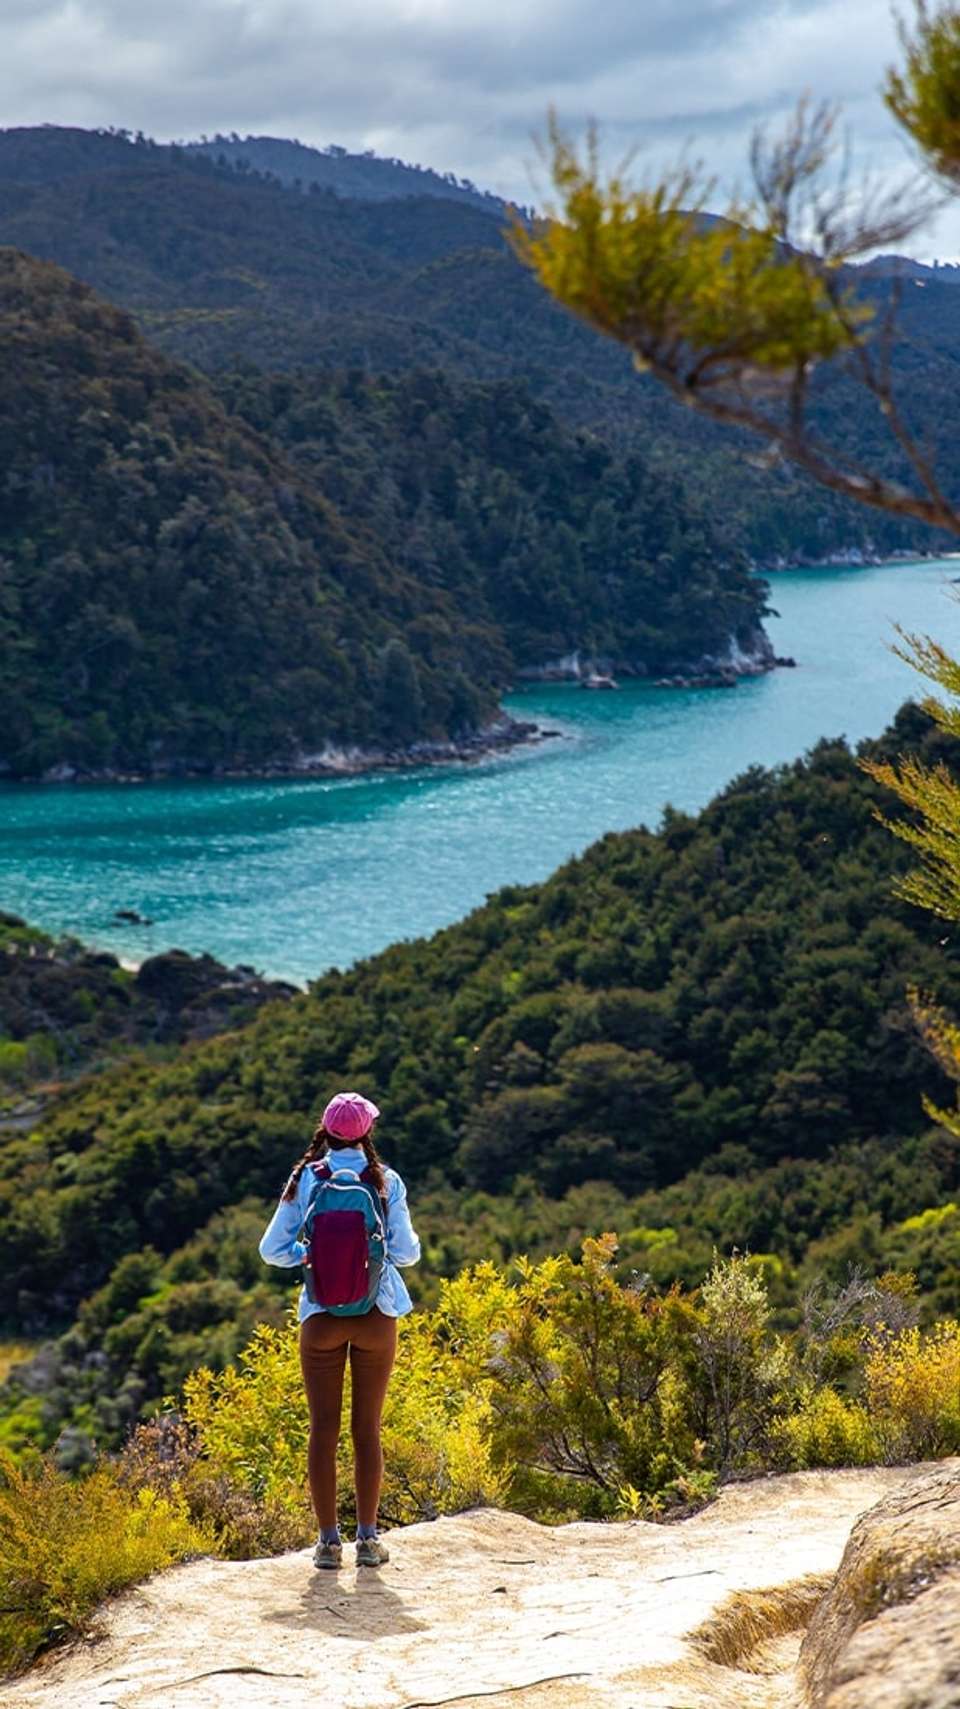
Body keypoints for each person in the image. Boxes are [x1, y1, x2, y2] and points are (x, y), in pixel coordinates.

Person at [259, 1090, 420, 1569]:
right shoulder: (385, 1180)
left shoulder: (306, 1177)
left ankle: (328, 1544)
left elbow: (271, 1249)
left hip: (321, 1317)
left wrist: (308, 1257)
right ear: (368, 1131)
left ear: (325, 1131)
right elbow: (407, 1253)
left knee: (322, 1429)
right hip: (376, 1314)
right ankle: (368, 1541)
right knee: (366, 1429)